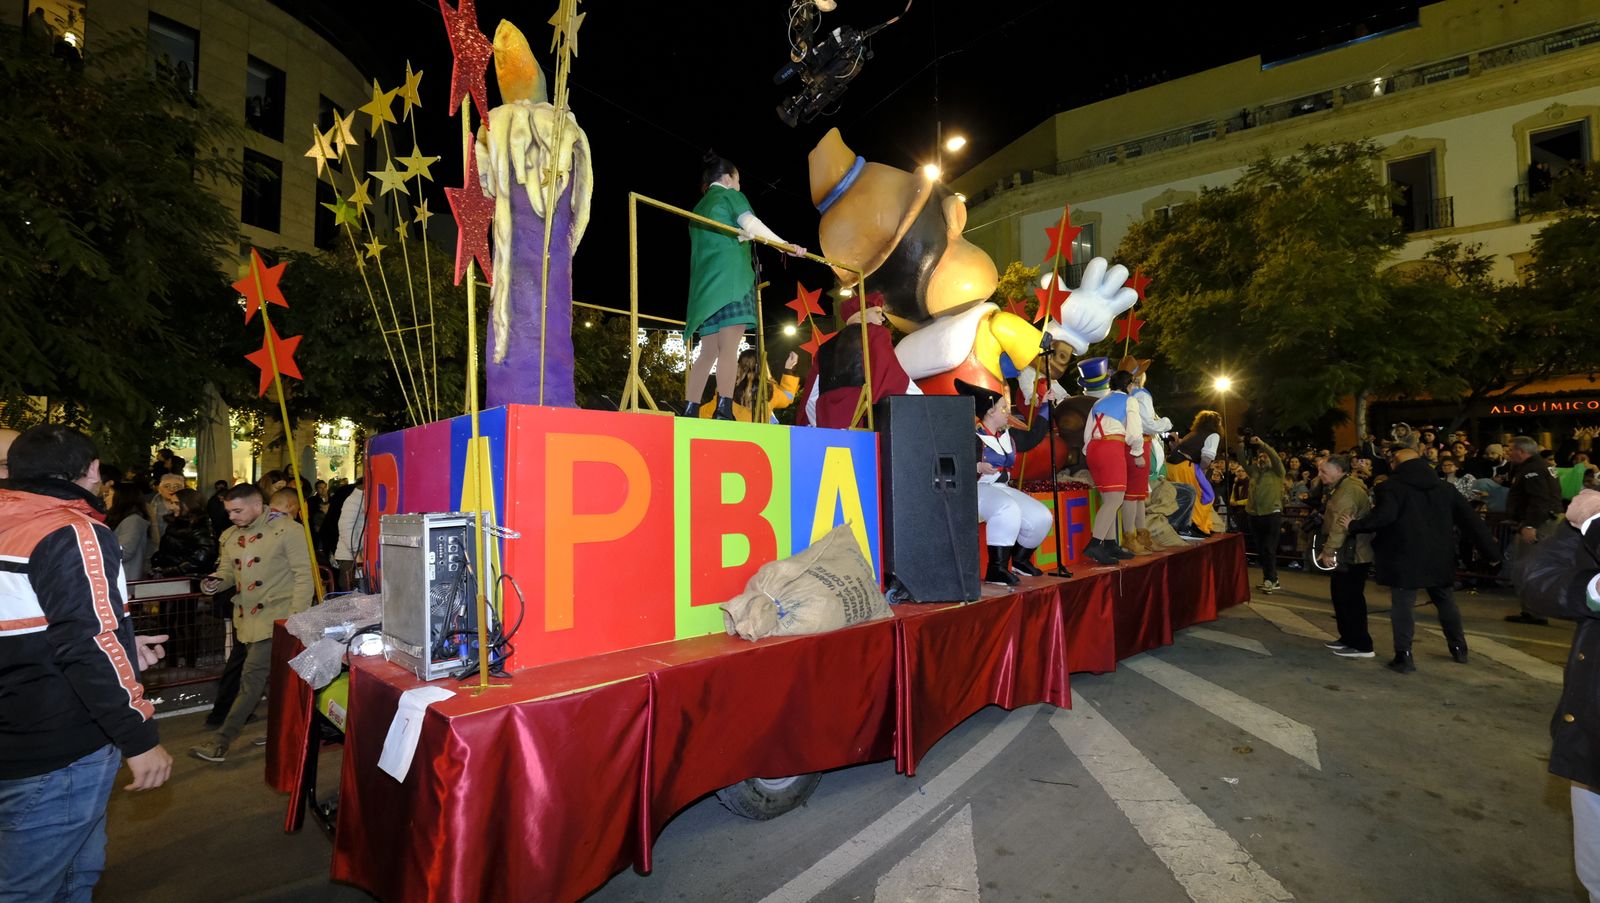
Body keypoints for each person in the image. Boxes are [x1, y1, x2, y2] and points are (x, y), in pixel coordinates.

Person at [0, 424, 171, 899]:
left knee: (77, 872)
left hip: (19, 728)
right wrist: (138, 735)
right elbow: (86, 641)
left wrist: (125, 643)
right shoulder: (71, 529)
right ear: (93, 471)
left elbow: (33, 620)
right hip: (58, 741)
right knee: (28, 889)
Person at [1345, 448, 1501, 672]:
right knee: (1445, 600)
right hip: (1439, 554)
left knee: (1403, 605)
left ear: (1395, 464)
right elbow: (1471, 521)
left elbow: (1384, 517)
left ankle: (1404, 656)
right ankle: (1459, 649)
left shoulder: (1390, 487)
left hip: (1403, 554)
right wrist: (1492, 553)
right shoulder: (1445, 488)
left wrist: (1354, 525)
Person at [1515, 488, 1600, 898]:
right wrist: (1591, 590)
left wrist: (1594, 522)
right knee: (1595, 875)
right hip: (1591, 736)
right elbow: (1536, 580)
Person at [191, 484, 313, 763]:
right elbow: (227, 571)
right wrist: (215, 582)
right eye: (229, 511)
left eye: (237, 510)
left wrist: (294, 620)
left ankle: (221, 741)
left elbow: (304, 576)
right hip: (248, 620)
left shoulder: (288, 531)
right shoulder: (230, 537)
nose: (231, 516)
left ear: (257, 505)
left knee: (251, 677)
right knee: (273, 682)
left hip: (278, 619)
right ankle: (292, 732)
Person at [681, 153, 805, 420]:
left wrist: (740, 236)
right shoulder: (730, 196)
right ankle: (723, 408)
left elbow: (719, 241)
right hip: (732, 284)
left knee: (708, 352)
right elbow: (752, 224)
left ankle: (690, 407)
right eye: (738, 180)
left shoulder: (699, 208)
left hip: (705, 292)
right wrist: (786, 246)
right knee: (729, 347)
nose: (739, 186)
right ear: (727, 178)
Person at [958, 380, 1056, 584]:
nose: (1006, 412)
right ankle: (997, 568)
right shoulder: (970, 435)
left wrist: (1046, 406)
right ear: (990, 412)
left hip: (1001, 488)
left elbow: (1033, 437)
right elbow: (954, 464)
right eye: (1003, 408)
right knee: (1007, 508)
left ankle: (1020, 560)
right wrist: (977, 467)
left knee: (1041, 516)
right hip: (977, 489)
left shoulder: (1007, 435)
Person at [798, 291, 915, 429]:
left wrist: (816, 424)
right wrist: (920, 397)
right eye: (878, 312)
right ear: (861, 314)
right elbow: (889, 373)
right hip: (860, 410)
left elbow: (811, 396)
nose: (883, 318)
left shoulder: (824, 348)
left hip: (828, 416)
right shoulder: (875, 332)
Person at [1082, 370, 1145, 565]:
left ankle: (1109, 544)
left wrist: (1090, 450)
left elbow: (1087, 433)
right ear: (1128, 385)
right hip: (1111, 448)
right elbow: (1134, 432)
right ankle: (1094, 544)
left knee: (1108, 499)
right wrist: (1138, 452)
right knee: (1115, 499)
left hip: (1093, 448)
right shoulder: (1130, 400)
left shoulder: (1098, 402)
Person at [1505, 435, 1566, 625]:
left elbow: (1539, 500)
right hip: (1543, 521)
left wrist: (1530, 525)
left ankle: (1535, 612)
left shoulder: (1533, 469)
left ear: (1521, 451)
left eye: (1510, 449)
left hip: (1540, 523)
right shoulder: (1537, 466)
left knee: (1529, 566)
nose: (1507, 453)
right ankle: (1532, 610)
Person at [1122, 355, 1169, 555]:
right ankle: (1130, 538)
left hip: (1139, 443)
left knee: (1138, 495)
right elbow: (1150, 424)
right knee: (1133, 495)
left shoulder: (1129, 395)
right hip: (1138, 444)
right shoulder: (1141, 395)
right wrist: (1166, 422)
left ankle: (1142, 536)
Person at [698, 349, 802, 423]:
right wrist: (789, 368)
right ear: (764, 367)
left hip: (735, 442)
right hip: (764, 442)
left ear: (738, 367)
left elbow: (704, 414)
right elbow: (787, 397)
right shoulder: (770, 390)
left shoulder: (726, 390)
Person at [1241, 434, 1287, 592]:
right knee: (1262, 549)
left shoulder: (1277, 473)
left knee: (1268, 548)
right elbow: (1242, 460)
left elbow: (1275, 458)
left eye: (1265, 457)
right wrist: (1242, 443)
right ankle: (1270, 578)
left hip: (1271, 514)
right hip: (1254, 515)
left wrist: (1262, 444)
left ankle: (1271, 579)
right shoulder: (1254, 472)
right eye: (1260, 456)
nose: (1262, 458)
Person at [1168, 410, 1222, 535]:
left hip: (1172, 465)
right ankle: (1195, 526)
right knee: (1204, 495)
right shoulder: (1214, 435)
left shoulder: (1192, 434)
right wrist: (1201, 470)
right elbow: (1207, 457)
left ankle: (1183, 526)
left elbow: (1177, 449)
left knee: (1182, 496)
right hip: (1186, 467)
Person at [105, 483, 153, 581]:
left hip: (126, 580)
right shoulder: (125, 519)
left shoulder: (133, 521)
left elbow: (125, 552)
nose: (106, 498)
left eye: (109, 494)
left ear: (121, 498)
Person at [333, 477, 366, 592]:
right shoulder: (355, 499)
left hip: (358, 554)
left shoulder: (364, 497)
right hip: (350, 557)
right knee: (351, 594)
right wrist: (356, 553)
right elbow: (346, 527)